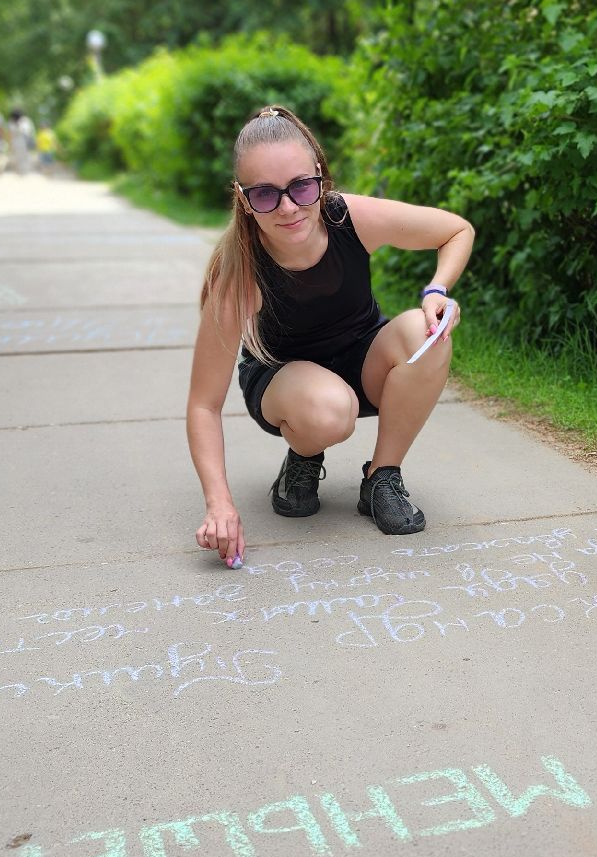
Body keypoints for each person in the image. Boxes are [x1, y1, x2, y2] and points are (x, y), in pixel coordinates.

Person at [185, 106, 473, 564]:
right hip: (286, 385)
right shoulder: (238, 274)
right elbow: (203, 404)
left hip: (362, 361)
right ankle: (303, 456)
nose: (288, 207)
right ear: (242, 198)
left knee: (426, 331)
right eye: (265, 194)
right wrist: (219, 505)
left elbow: (456, 230)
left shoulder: (349, 219)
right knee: (329, 410)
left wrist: (437, 290)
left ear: (319, 175)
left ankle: (382, 475)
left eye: (301, 186)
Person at [9, 108, 36, 175]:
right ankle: (20, 171)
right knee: (20, 156)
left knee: (24, 156)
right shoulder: (12, 121)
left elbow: (29, 131)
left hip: (22, 141)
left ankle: (24, 170)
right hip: (18, 141)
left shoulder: (25, 120)